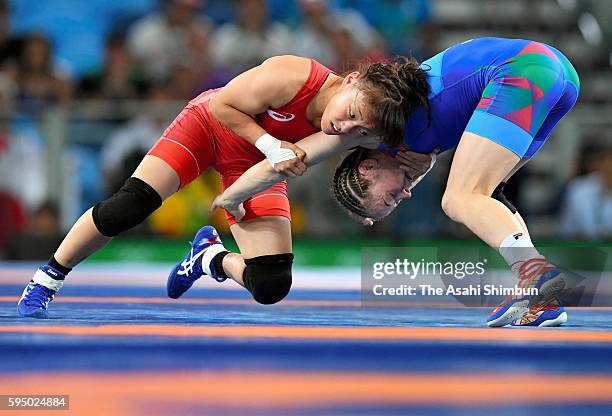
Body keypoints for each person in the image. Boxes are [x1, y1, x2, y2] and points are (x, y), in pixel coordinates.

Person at [17, 54, 433, 318]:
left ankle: (209, 258)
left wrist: (421, 165)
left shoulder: (363, 127)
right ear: (351, 78)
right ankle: (46, 279)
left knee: (271, 284)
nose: (347, 127)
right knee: (128, 206)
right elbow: (222, 105)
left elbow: (403, 158)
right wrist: (270, 145)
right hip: (210, 125)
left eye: (362, 128)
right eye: (353, 113)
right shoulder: (294, 74)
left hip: (256, 163)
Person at [212, 37, 580, 327]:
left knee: (459, 199)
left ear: (368, 167)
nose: (405, 192)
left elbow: (283, 164)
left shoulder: (370, 128)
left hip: (524, 71)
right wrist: (428, 160)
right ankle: (542, 301)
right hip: (555, 73)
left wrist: (230, 199)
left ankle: (535, 277)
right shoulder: (396, 128)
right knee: (489, 194)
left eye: (390, 196)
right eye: (399, 199)